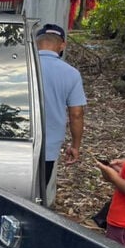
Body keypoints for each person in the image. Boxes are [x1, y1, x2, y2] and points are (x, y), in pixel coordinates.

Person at [37, 23, 86, 185]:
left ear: (36, 42)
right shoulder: (71, 74)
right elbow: (76, 114)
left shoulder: (19, 67)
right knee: (38, 191)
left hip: (15, 142)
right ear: (62, 45)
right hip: (48, 145)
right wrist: (75, 146)